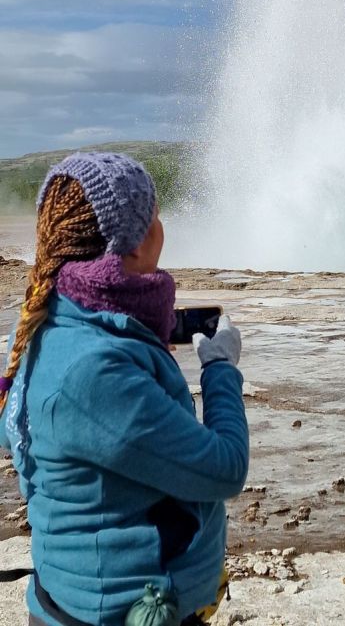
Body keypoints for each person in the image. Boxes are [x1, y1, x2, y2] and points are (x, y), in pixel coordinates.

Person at [0, 152, 249, 626]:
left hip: (70, 599)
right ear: (133, 245)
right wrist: (220, 369)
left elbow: (11, 429)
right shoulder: (93, 371)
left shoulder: (44, 321)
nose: (162, 227)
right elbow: (225, 469)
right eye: (155, 216)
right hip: (127, 609)